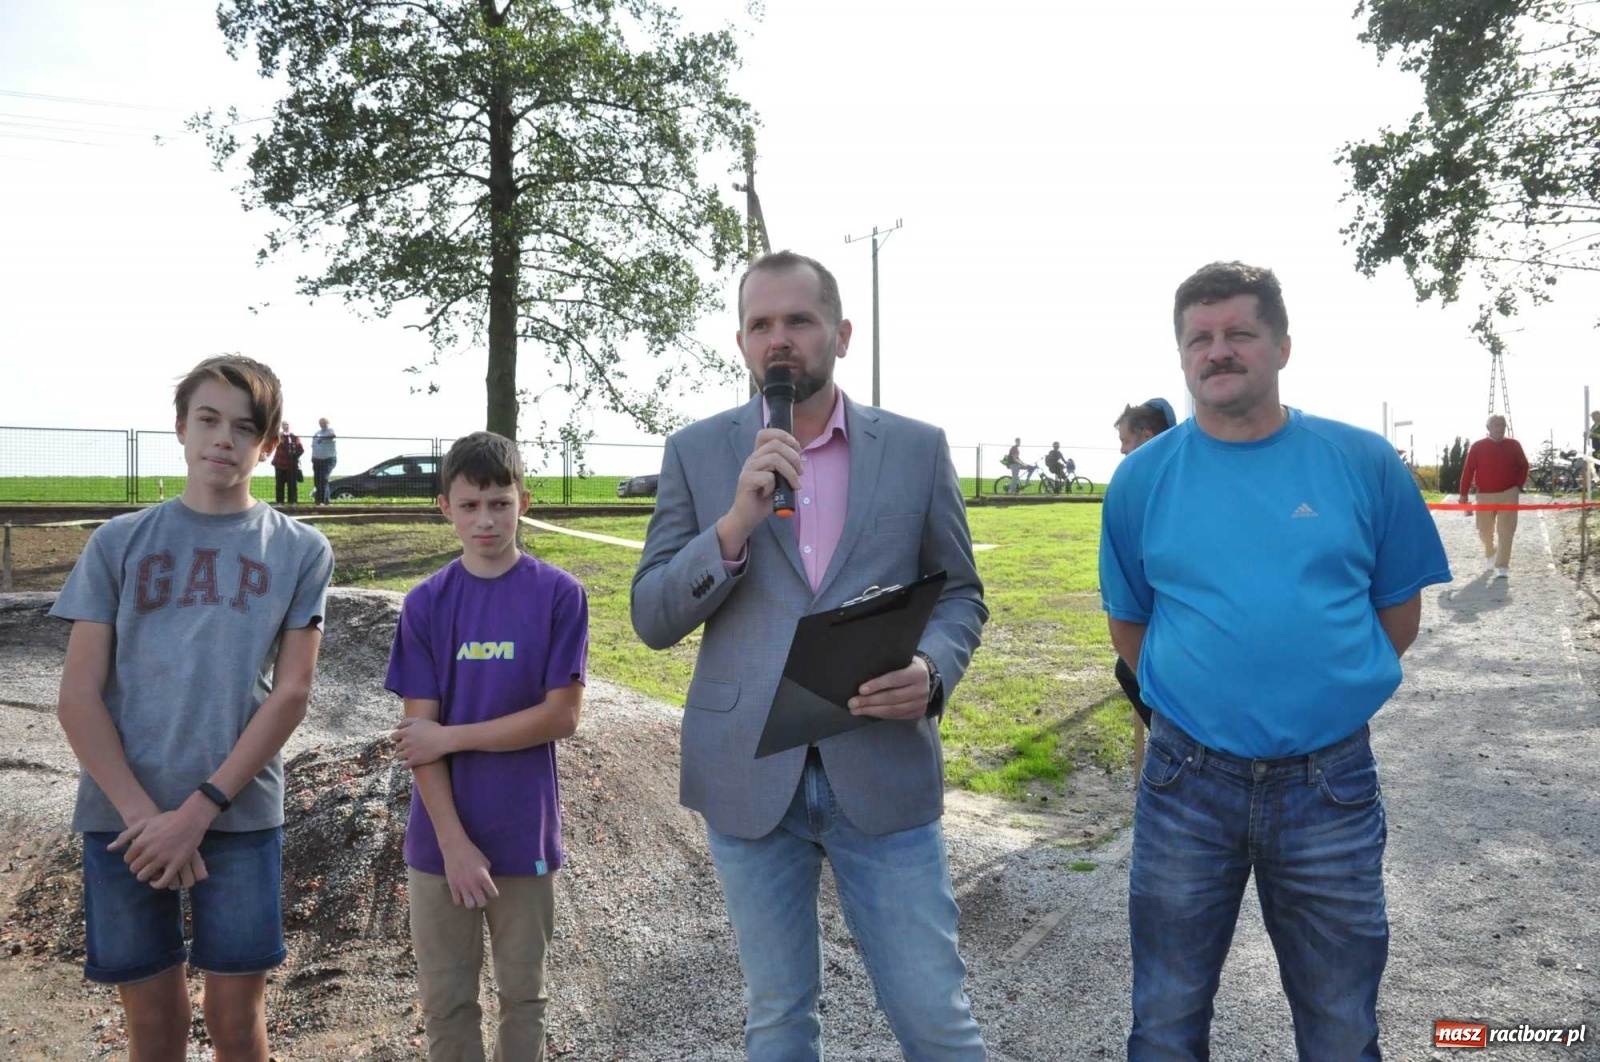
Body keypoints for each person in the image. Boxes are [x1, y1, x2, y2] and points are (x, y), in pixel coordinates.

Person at [632, 250, 988, 1060]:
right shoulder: (696, 452)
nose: (779, 339)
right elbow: (652, 617)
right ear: (741, 343)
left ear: (841, 334)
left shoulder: (916, 448)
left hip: (882, 765)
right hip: (748, 774)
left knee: (935, 1017)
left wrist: (933, 672)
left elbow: (963, 594)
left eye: (799, 320)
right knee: (778, 1018)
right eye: (761, 324)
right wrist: (733, 527)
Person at [1100, 262, 1451, 1059]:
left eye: (1239, 333)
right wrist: (1200, 703)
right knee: (1165, 1018)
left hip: (1329, 781)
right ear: (1181, 354)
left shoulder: (1362, 463)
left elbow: (1397, 615)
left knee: (1340, 1022)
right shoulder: (1141, 481)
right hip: (1186, 782)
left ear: (1283, 346)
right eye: (1200, 338)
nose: (1217, 351)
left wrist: (1318, 695)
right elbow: (1131, 624)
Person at [50, 354, 334, 1061]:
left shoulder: (301, 550)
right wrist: (146, 819)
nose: (223, 439)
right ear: (180, 426)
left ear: (269, 444)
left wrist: (198, 811)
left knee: (236, 1022)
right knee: (154, 1025)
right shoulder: (117, 543)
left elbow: (292, 694)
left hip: (237, 814)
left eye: (245, 427)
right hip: (124, 820)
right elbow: (77, 696)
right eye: (208, 419)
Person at [386, 430, 588, 1062]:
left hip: (524, 831)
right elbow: (418, 743)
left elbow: (561, 716)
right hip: (439, 842)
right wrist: (453, 846)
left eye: (500, 503)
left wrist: (451, 736)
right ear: (444, 507)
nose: (486, 520)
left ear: (523, 502)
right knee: (447, 1005)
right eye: (470, 505)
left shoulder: (559, 594)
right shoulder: (425, 604)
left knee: (524, 999)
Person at [1108, 400, 1174, 778]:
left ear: (1147, 436)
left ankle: (1172, 741)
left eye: (1125, 440)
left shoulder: (1157, 483)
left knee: (1129, 668)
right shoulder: (1148, 480)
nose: (1122, 450)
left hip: (1169, 623)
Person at [1459, 414, 1529, 580]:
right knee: (1484, 530)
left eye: (1502, 425)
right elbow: (1468, 471)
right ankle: (1490, 552)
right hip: (1485, 494)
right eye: (1497, 425)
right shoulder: (1477, 447)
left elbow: (1524, 466)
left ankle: (1502, 565)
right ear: (1488, 427)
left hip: (1508, 493)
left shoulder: (1514, 445)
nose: (1500, 428)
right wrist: (1463, 494)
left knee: (1506, 530)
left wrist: (1518, 486)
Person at [272, 420, 304, 505]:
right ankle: (279, 502)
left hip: (291, 465)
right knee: (279, 484)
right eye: (283, 425)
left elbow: (301, 450)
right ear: (281, 426)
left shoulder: (295, 437)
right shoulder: (278, 436)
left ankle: (292, 502)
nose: (285, 426)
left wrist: (293, 457)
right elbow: (271, 444)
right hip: (279, 463)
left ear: (290, 426)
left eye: (287, 425)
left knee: (292, 485)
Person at [311, 417, 338, 505]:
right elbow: (313, 446)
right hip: (317, 459)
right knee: (317, 480)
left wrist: (323, 438)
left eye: (324, 423)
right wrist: (313, 458)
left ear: (328, 423)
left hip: (328, 459)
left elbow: (333, 435)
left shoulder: (330, 430)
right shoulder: (317, 433)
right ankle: (323, 501)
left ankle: (322, 501)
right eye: (321, 423)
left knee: (324, 478)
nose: (322, 425)